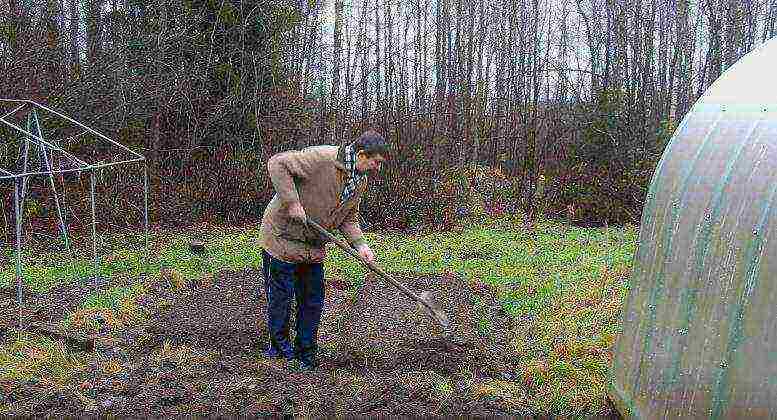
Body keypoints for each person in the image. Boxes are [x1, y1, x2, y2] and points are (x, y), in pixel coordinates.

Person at [258, 129, 389, 371]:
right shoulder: (322, 158)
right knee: (282, 299)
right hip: (282, 237)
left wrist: (361, 245)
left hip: (313, 245)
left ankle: (305, 355)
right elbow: (277, 164)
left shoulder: (359, 180)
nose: (377, 168)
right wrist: (292, 202)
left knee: (312, 300)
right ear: (362, 155)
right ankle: (279, 353)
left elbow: (348, 216)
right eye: (376, 162)